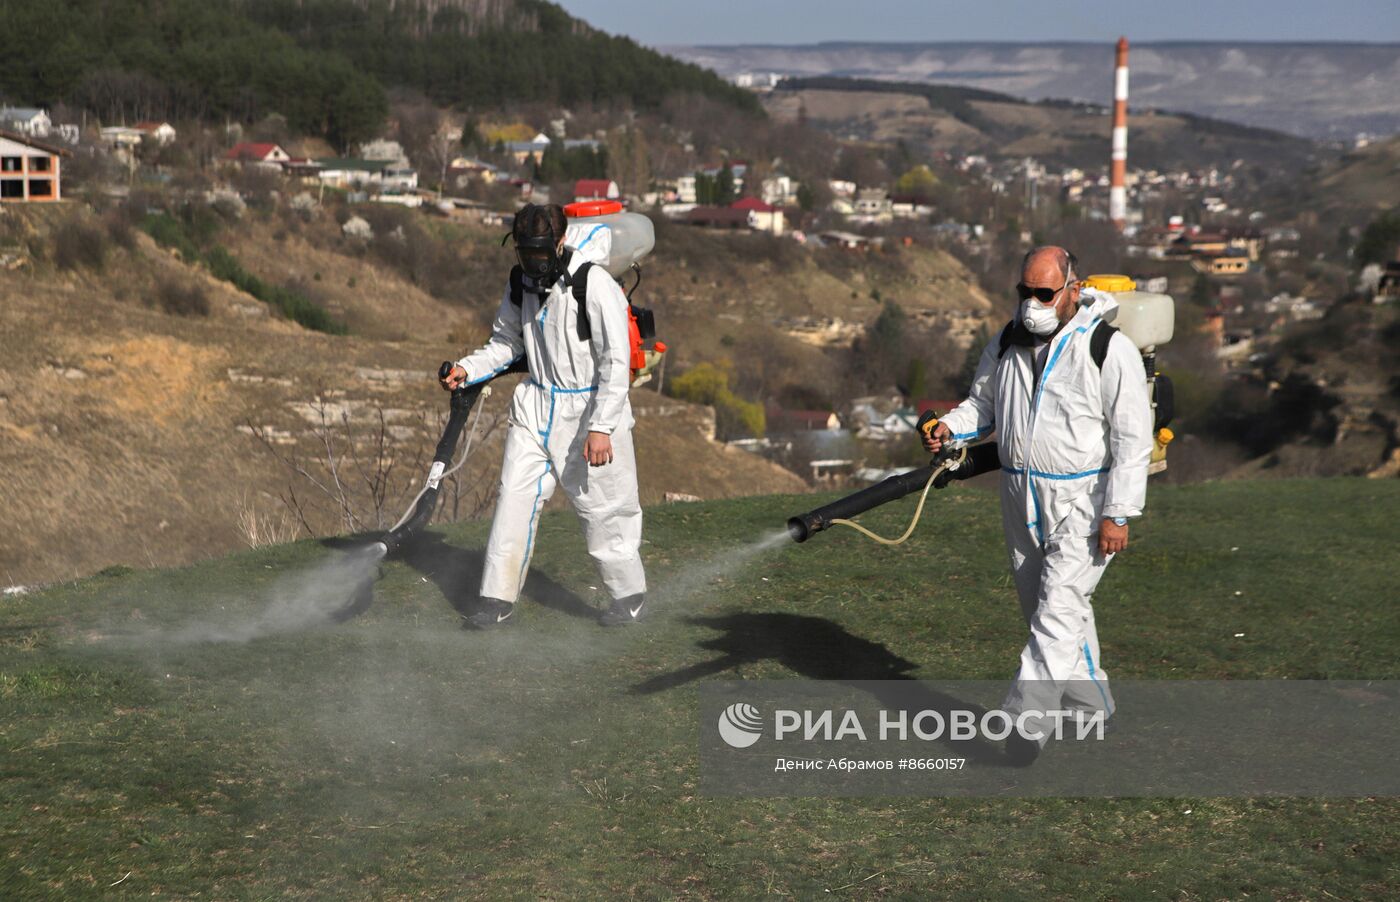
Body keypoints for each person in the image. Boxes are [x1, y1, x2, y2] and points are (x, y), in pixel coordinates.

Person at [923, 246, 1152, 764]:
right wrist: (949, 428)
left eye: (1044, 293)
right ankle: (1094, 704)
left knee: (1057, 612)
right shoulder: (1007, 341)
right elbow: (982, 404)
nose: (1032, 303)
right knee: (1047, 610)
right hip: (1020, 494)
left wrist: (1118, 512)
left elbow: (1133, 439)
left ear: (1072, 289)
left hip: (1083, 501)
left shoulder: (1107, 349)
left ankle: (1027, 727)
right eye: (1025, 291)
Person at [441, 203, 646, 628]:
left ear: (559, 242)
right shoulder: (520, 283)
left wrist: (601, 428)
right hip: (536, 405)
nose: (534, 264)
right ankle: (496, 600)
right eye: (526, 255)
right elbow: (506, 342)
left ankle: (628, 596)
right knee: (513, 499)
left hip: (590, 411)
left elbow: (615, 359)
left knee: (604, 510)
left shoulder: (594, 283)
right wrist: (468, 368)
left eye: (541, 254)